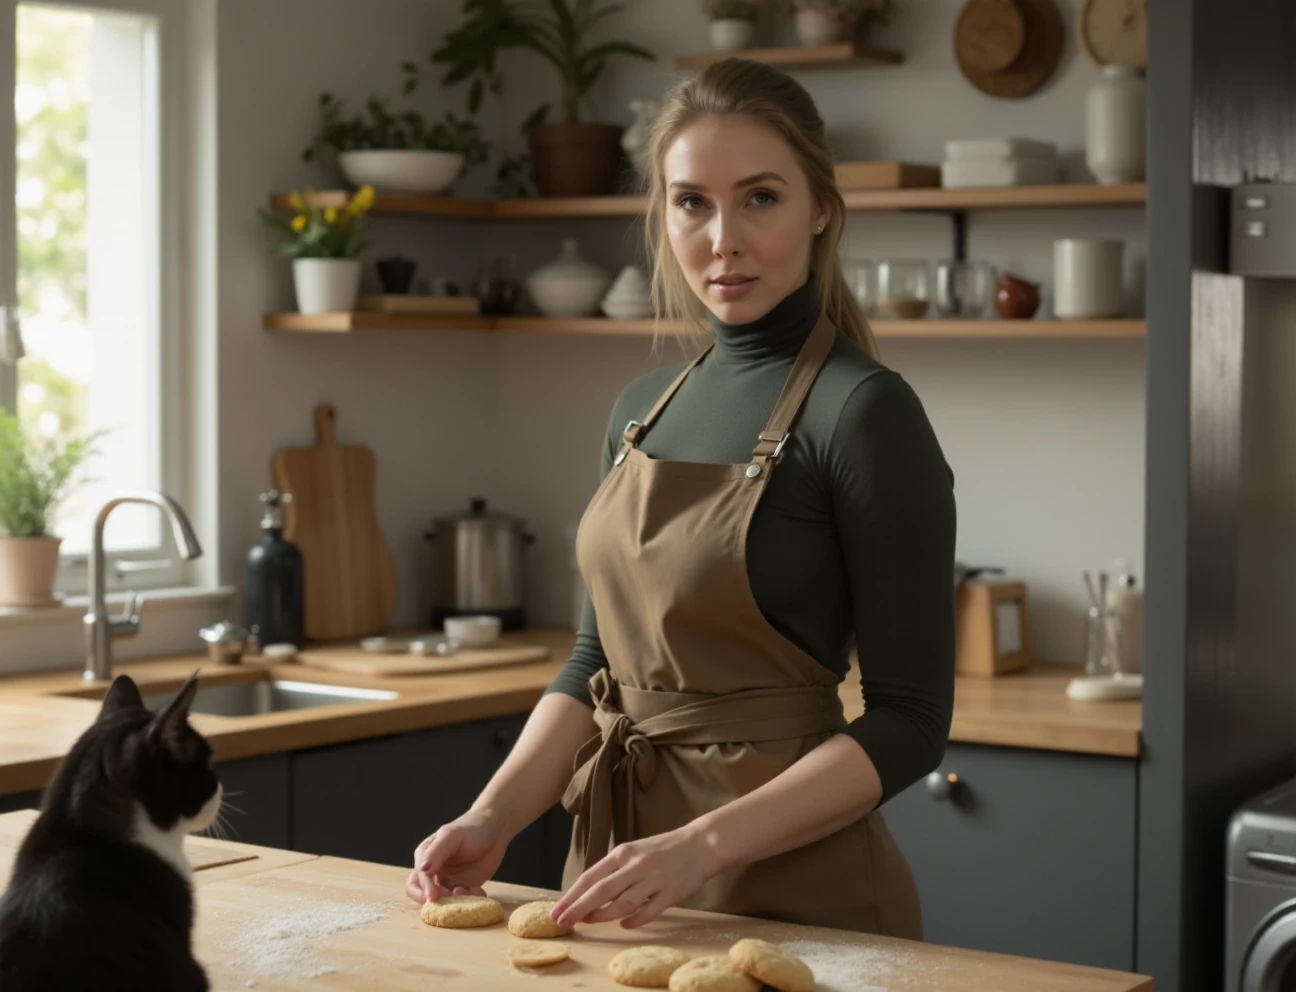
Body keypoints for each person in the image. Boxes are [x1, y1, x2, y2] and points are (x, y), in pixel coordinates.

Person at [405, 56, 956, 939]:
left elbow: (913, 722)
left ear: (821, 208)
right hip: (616, 880)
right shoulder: (637, 412)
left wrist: (698, 847)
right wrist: (492, 816)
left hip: (800, 897)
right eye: (692, 201)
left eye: (761, 198)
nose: (722, 239)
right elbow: (595, 665)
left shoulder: (866, 412)